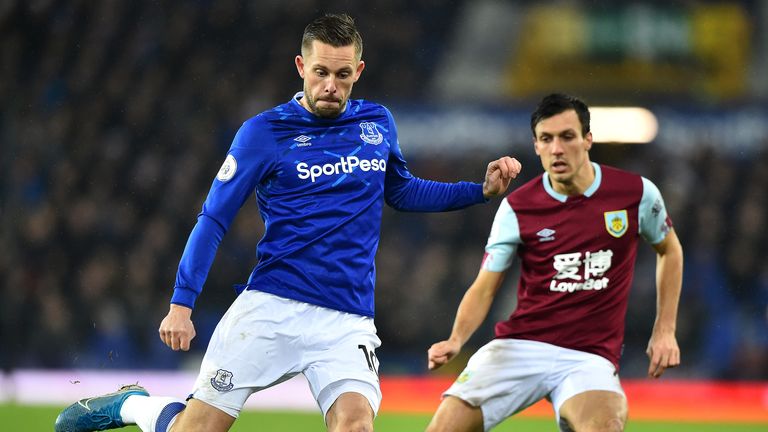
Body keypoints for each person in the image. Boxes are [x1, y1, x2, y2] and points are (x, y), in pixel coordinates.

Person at [54, 13, 522, 432]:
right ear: (301, 68)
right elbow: (214, 218)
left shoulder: (377, 124)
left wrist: (476, 192)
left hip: (346, 317)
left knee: (356, 426)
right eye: (320, 73)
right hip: (272, 305)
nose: (330, 87)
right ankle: (132, 406)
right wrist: (182, 302)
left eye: (342, 75)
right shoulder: (264, 132)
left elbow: (401, 191)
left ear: (358, 72)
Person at [425, 93, 683, 432]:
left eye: (567, 136)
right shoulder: (518, 207)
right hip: (520, 346)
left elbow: (670, 251)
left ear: (588, 139)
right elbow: (485, 286)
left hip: (588, 356)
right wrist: (456, 339)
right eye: (546, 139)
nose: (557, 148)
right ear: (536, 146)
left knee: (605, 427)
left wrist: (664, 330)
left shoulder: (636, 194)